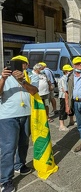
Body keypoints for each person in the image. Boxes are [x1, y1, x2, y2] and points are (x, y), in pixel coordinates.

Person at [0, 55, 38, 192]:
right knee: (8, 148)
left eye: (22, 64)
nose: (19, 66)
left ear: (26, 66)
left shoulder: (30, 77)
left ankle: (19, 165)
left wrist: (22, 81)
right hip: (8, 117)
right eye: (16, 63)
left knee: (24, 143)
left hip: (26, 115)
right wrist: (3, 78)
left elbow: (34, 91)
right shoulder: (3, 77)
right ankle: (5, 180)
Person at [65, 57, 81, 152]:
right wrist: (67, 106)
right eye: (78, 64)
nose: (80, 65)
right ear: (74, 65)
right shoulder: (70, 76)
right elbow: (67, 92)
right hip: (75, 102)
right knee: (80, 124)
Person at [58, 64, 75, 131]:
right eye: (69, 70)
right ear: (65, 71)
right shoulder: (63, 79)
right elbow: (65, 90)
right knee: (63, 110)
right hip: (63, 96)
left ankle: (71, 120)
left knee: (71, 108)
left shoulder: (69, 78)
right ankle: (61, 125)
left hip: (70, 95)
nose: (71, 72)